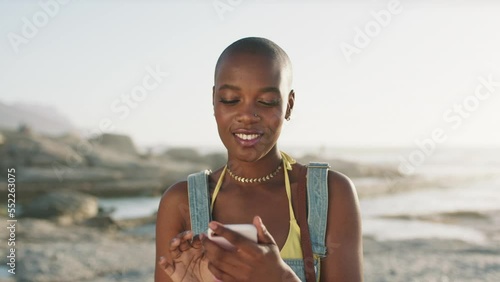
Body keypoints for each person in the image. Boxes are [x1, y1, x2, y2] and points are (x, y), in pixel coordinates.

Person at [155, 37, 363, 282]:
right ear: (214, 101)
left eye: (266, 102)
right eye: (231, 99)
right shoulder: (181, 202)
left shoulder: (329, 194)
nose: (247, 116)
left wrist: (280, 278)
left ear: (289, 105)